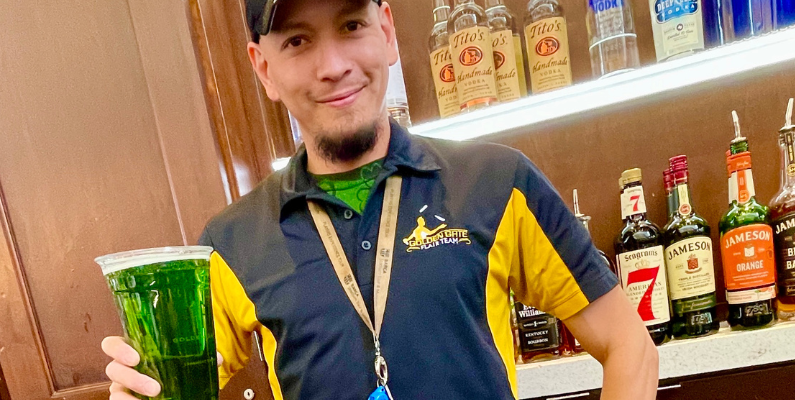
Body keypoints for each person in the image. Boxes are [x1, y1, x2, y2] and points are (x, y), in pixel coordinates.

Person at [101, 0, 659, 398]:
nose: (333, 65)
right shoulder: (230, 242)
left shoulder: (495, 181)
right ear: (264, 69)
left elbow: (629, 345)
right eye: (297, 40)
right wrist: (137, 390)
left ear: (387, 31)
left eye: (351, 24)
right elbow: (176, 389)